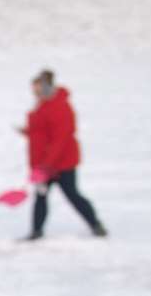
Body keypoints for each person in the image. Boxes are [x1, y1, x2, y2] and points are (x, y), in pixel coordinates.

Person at [19, 70, 106, 241]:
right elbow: (42, 132)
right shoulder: (42, 105)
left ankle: (96, 224)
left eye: (37, 89)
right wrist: (28, 132)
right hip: (44, 162)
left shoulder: (60, 107)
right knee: (41, 196)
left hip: (62, 163)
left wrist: (47, 164)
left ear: (45, 87)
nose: (34, 93)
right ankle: (36, 231)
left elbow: (61, 139)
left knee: (72, 195)